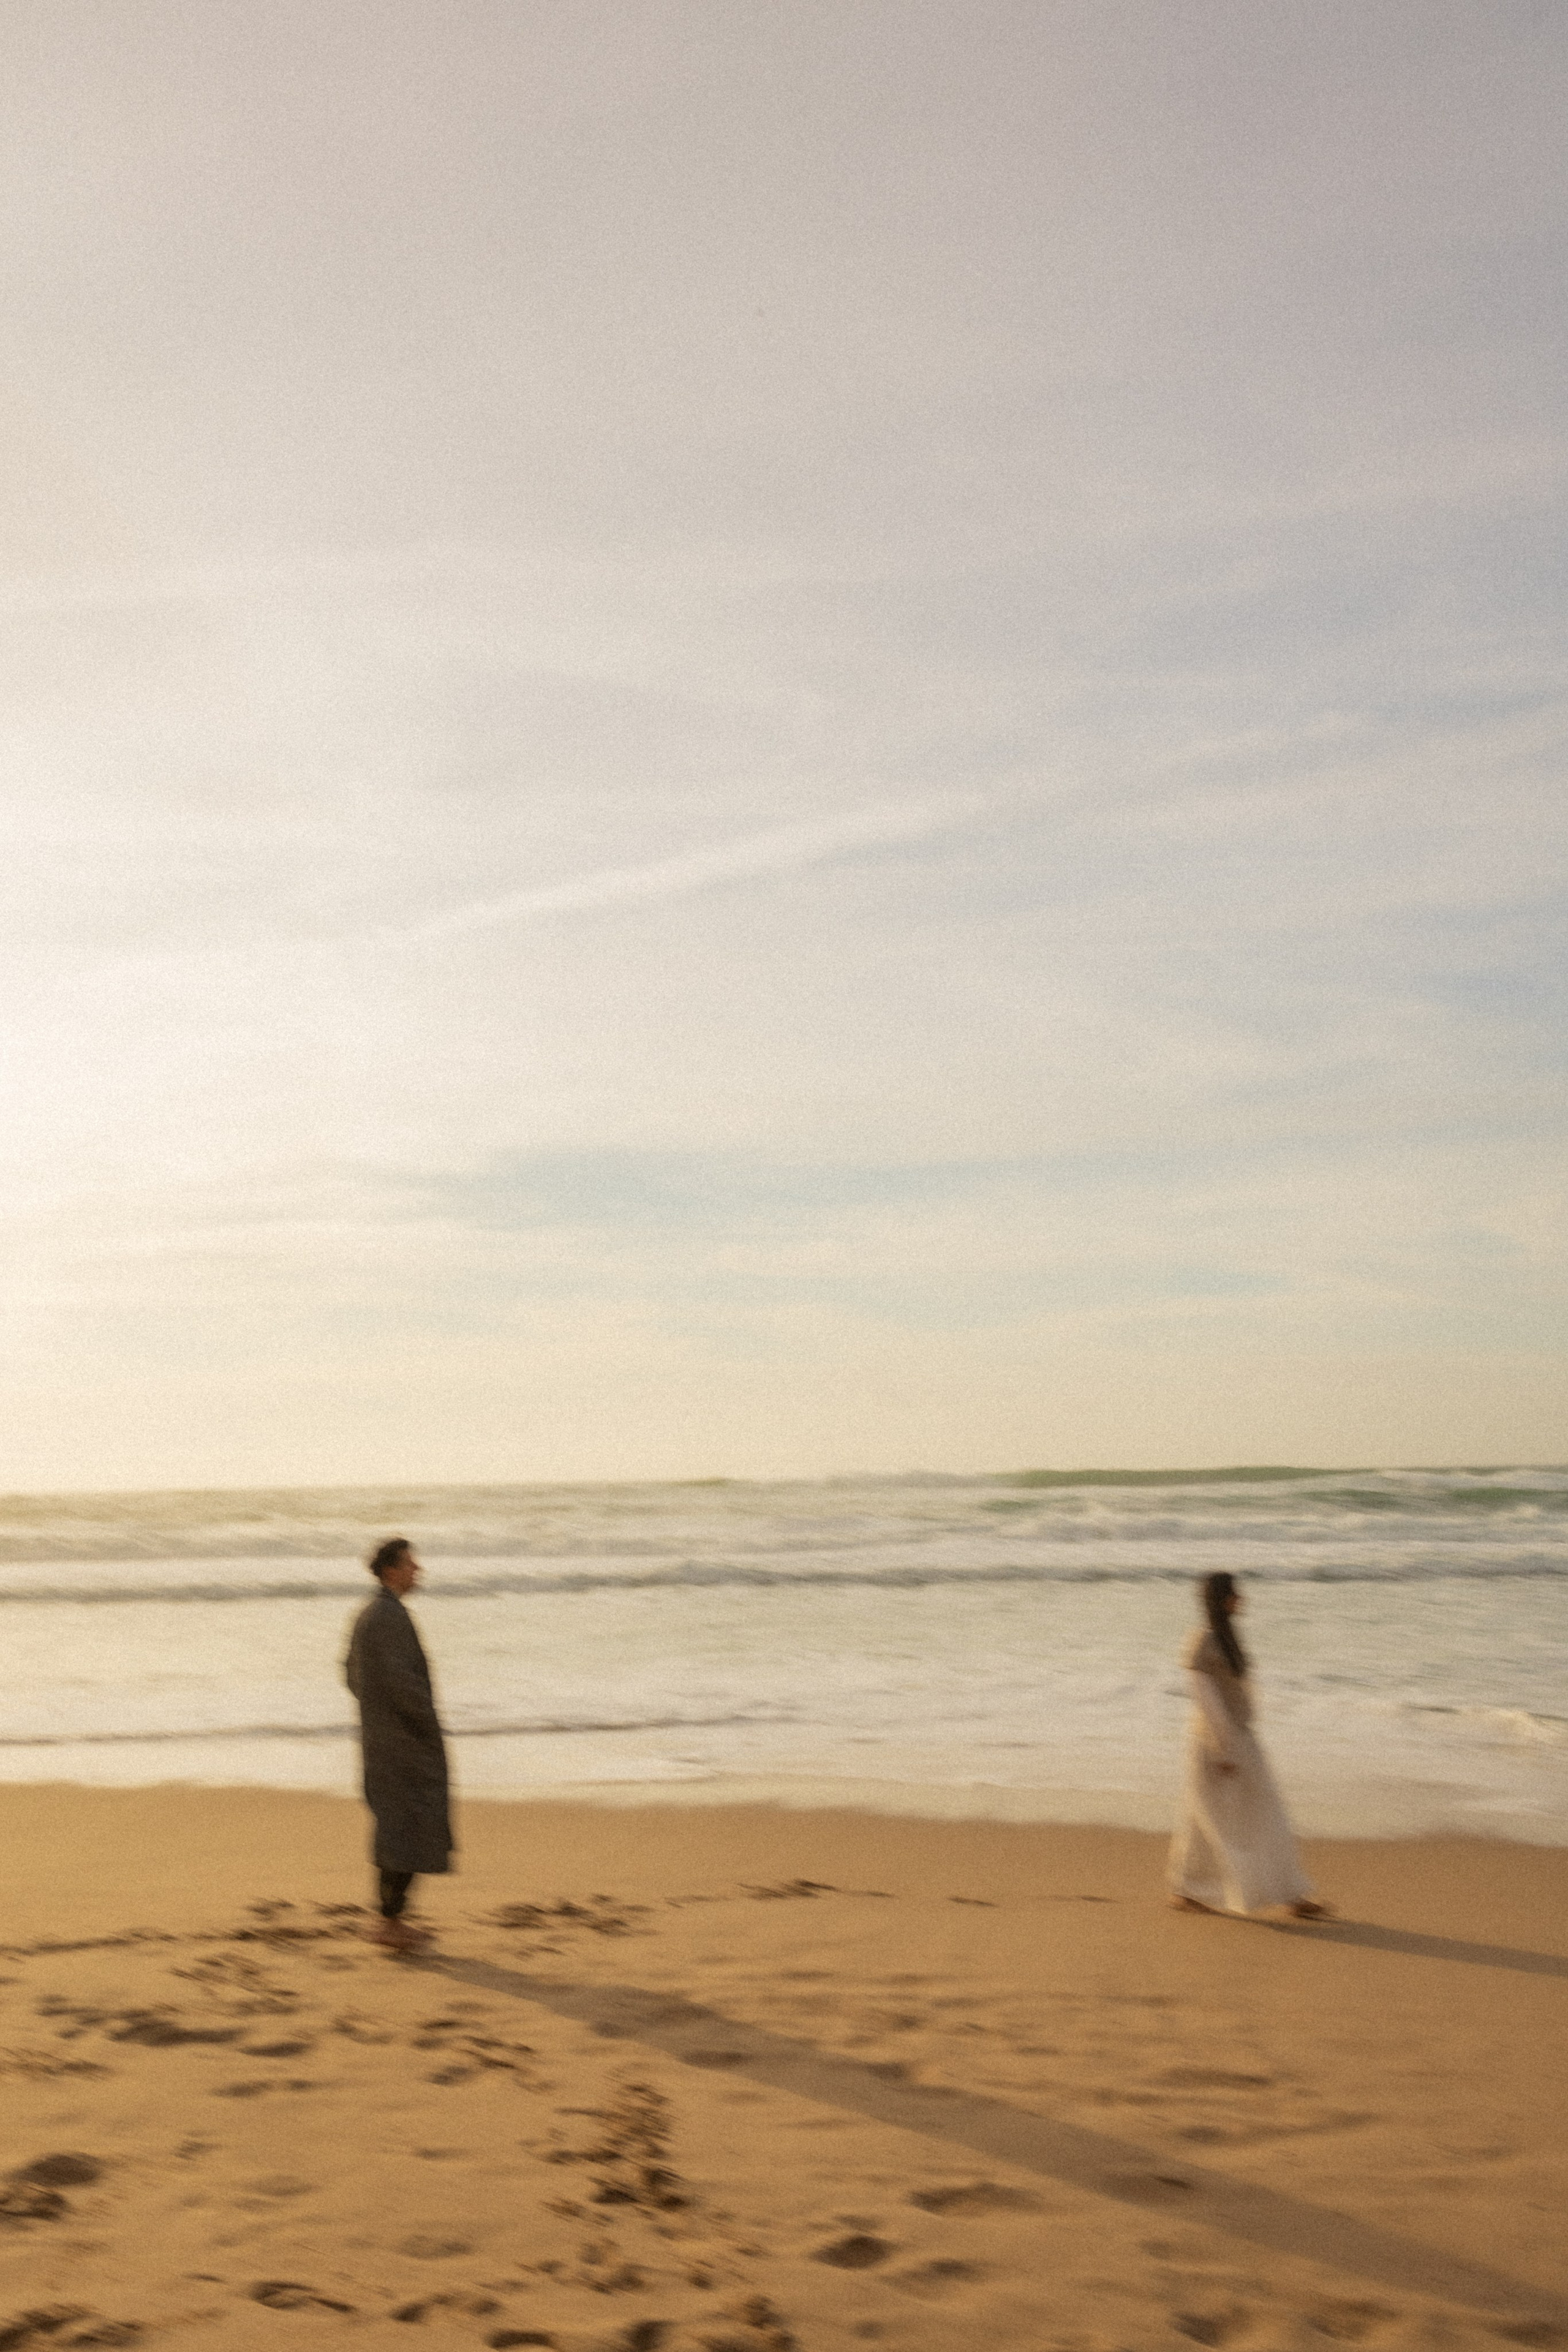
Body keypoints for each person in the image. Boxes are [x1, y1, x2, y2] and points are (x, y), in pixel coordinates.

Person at [1167, 1571, 1329, 1920]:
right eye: (1236, 1594)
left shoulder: (1227, 1637)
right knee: (1216, 1819)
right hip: (1216, 1743)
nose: (1242, 1599)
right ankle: (1189, 1890)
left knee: (1254, 1815)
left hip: (1241, 1738)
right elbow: (1206, 1701)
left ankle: (1288, 1894)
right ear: (1222, 1599)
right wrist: (1225, 1750)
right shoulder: (1202, 1642)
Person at [344, 1537, 453, 1951]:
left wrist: (378, 1714)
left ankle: (390, 1918)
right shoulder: (386, 1617)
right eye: (410, 1563)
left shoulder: (373, 1614)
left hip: (387, 1741)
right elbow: (405, 1687)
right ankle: (388, 1922)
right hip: (402, 1745)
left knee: (400, 1828)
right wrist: (422, 1723)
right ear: (391, 1570)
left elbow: (351, 1676)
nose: (418, 1570)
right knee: (406, 1828)